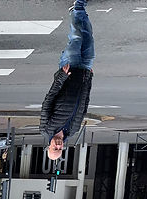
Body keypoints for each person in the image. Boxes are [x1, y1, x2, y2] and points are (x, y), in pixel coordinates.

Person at [40, 3, 94, 167]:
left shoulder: (46, 128)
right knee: (88, 39)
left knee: (77, 38)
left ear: (48, 146)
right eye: (59, 149)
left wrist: (61, 77)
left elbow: (49, 99)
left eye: (54, 148)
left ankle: (78, 8)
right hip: (83, 72)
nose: (58, 146)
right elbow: (84, 103)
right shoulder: (74, 129)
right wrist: (89, 78)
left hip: (69, 70)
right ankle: (80, 14)